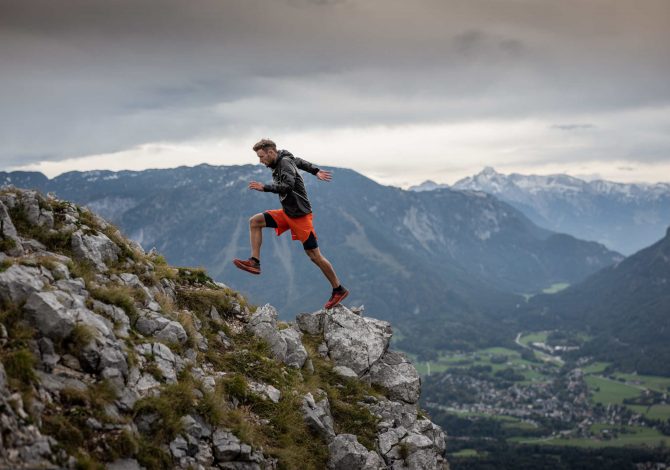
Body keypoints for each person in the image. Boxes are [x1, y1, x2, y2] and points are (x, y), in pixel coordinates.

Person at [233, 138, 349, 309]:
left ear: (271, 152)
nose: (260, 161)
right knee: (255, 221)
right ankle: (254, 262)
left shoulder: (284, 164)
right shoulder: (285, 158)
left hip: (300, 217)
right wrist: (315, 171)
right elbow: (300, 162)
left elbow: (287, 186)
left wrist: (264, 187)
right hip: (288, 213)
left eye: (262, 156)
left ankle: (338, 289)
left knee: (315, 256)